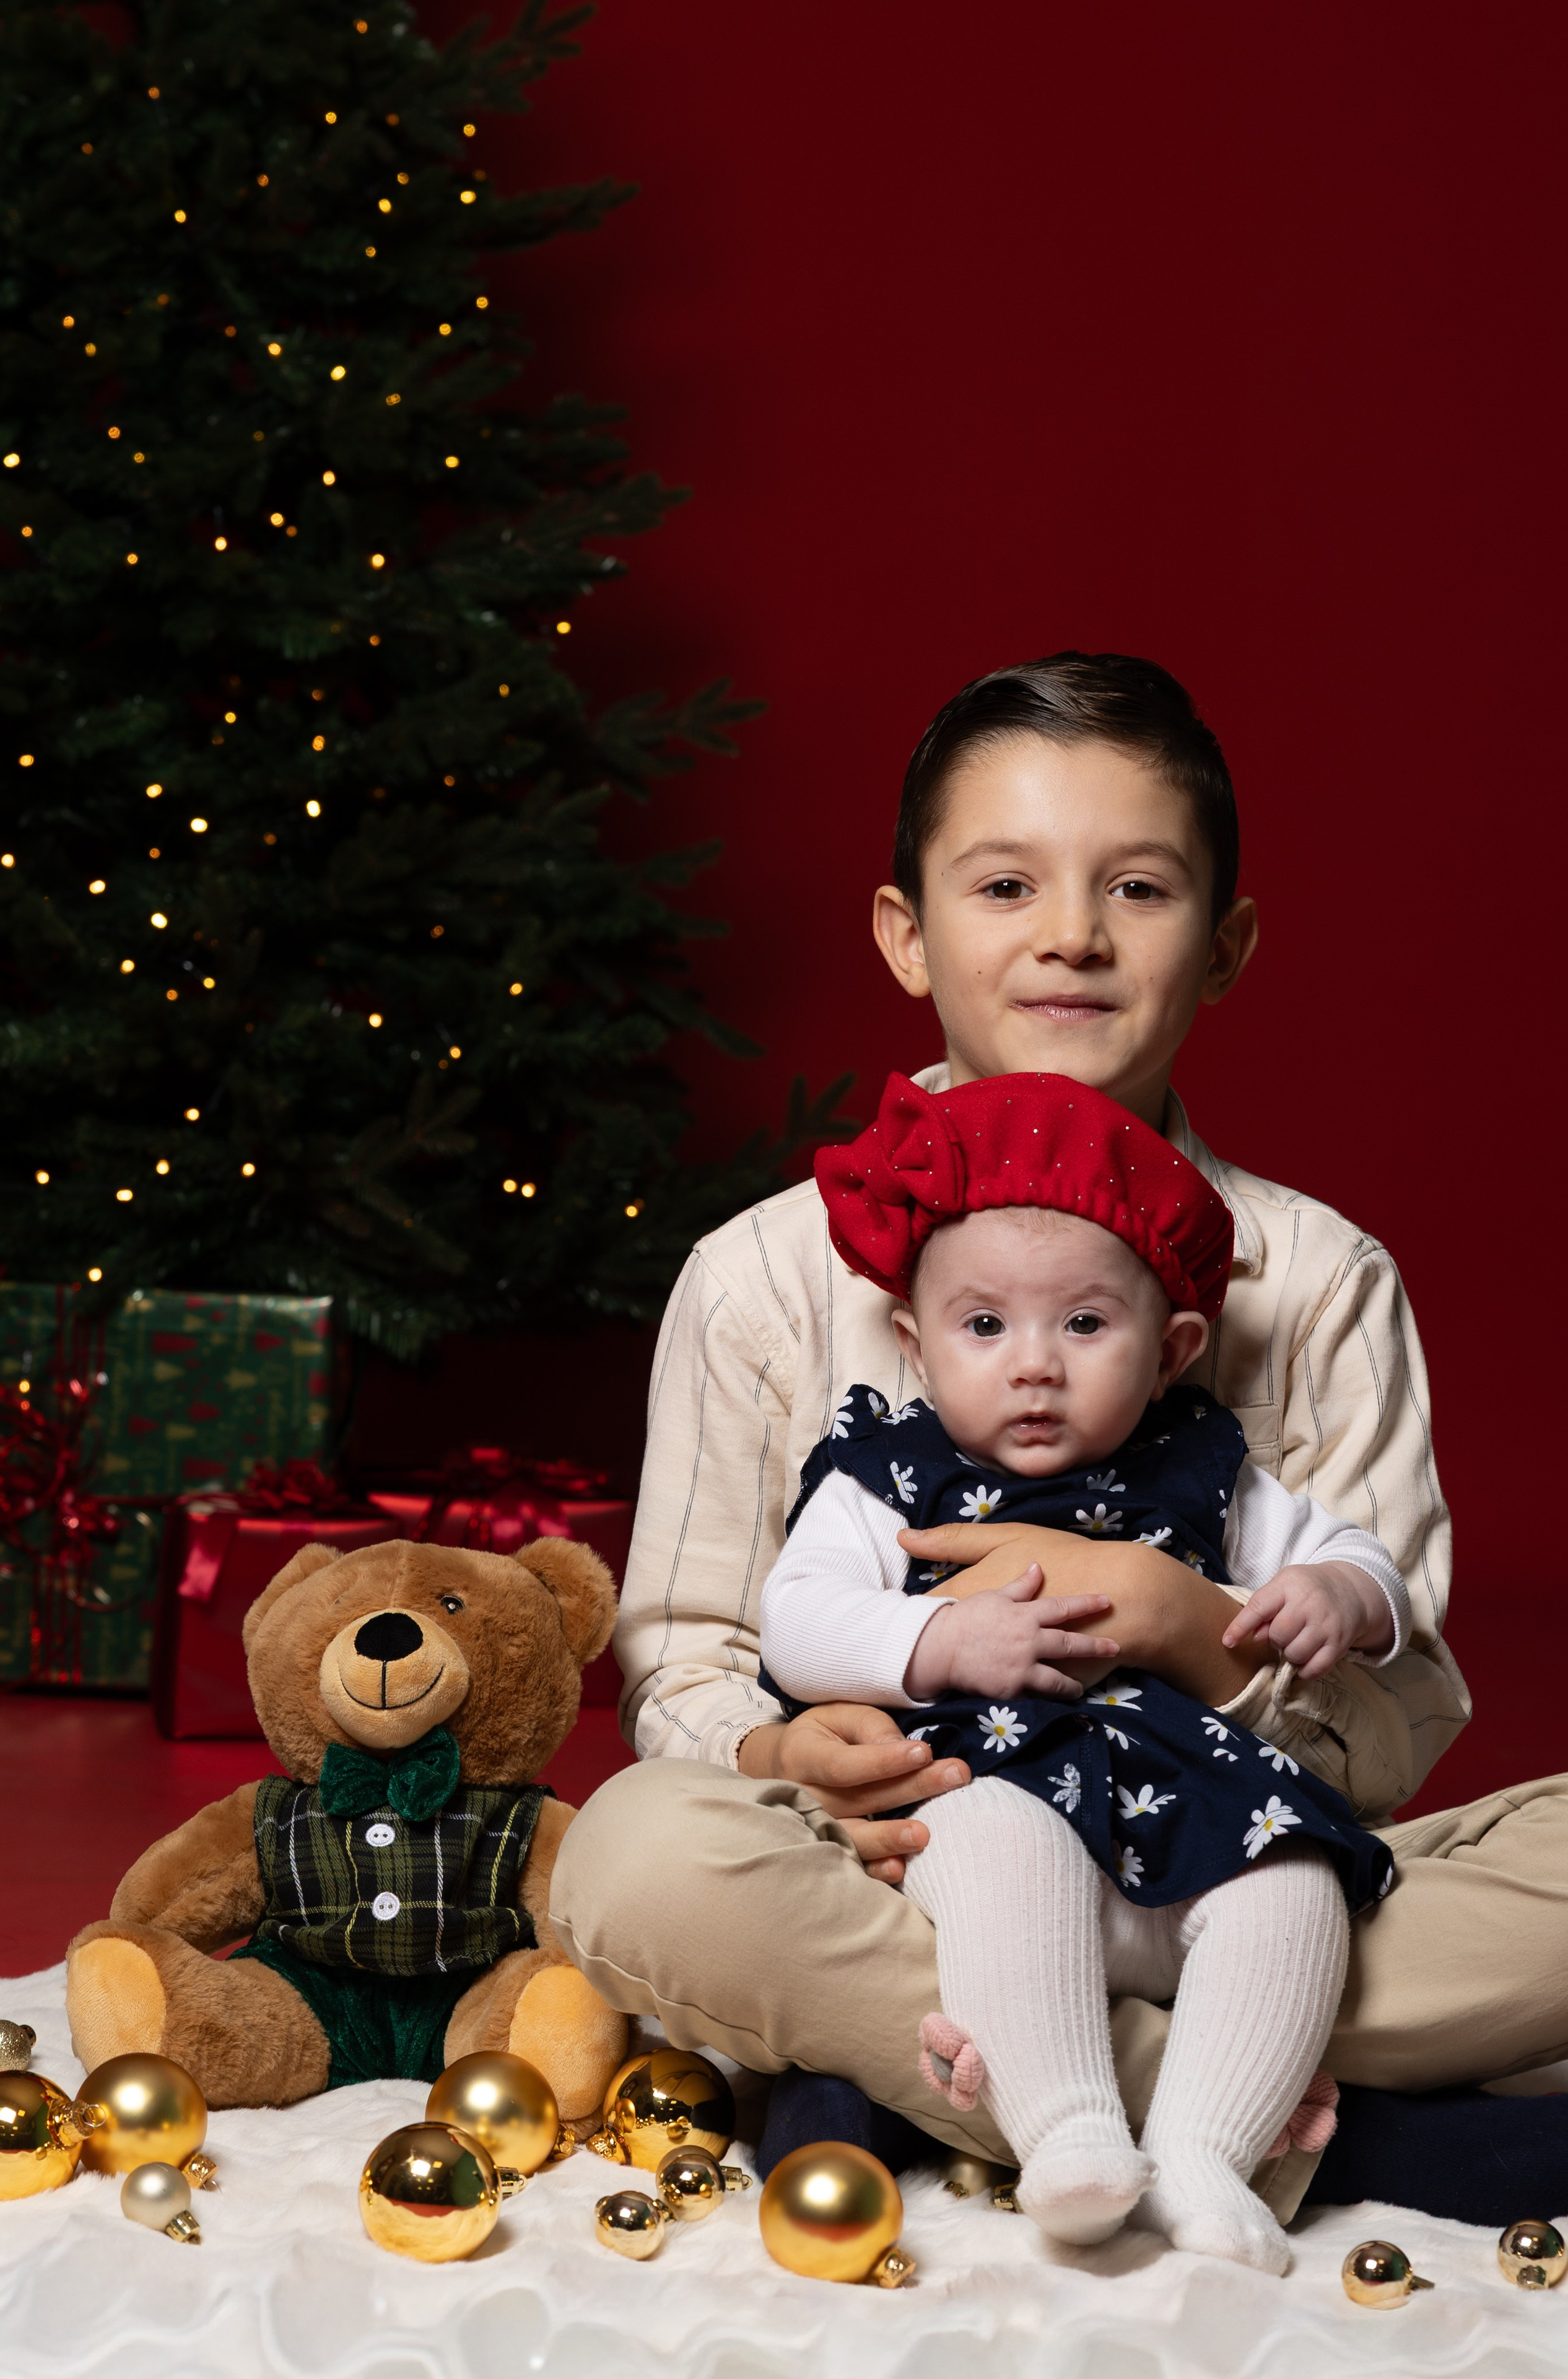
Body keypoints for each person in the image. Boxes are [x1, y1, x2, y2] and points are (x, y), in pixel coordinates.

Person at [547, 653, 1566, 2220]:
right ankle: (1308, 2130)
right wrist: (778, 1752)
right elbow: (679, 1656)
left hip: (1230, 1866)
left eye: (1137, 887)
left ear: (1222, 945)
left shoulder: (1316, 1279)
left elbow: (1397, 1716)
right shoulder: (762, 1276)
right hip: (920, 1858)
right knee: (632, 1859)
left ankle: (936, 2077)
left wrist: (1196, 1631)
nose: (1070, 934)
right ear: (906, 934)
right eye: (1004, 883)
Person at [760, 1067, 1400, 2269]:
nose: (1035, 1364)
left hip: (1192, 1812)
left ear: (1172, 1348)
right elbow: (792, 1620)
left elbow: (1357, 1550)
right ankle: (1067, 2130)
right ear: (914, 1338)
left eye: (1086, 1324)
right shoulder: (883, 1476)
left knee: (1296, 1880)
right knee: (994, 1835)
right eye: (984, 1324)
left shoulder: (1200, 1466)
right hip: (995, 1794)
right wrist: (935, 1641)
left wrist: (1341, 1592)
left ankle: (1208, 2154)